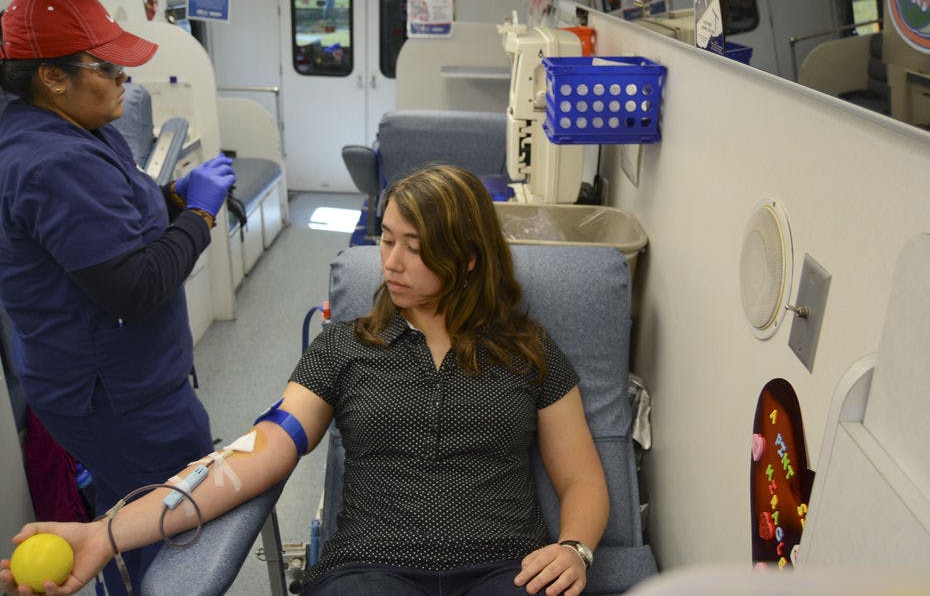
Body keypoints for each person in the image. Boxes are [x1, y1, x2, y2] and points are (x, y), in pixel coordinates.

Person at [1, 164, 609, 596]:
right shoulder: (346, 347)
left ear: (469, 257)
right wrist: (106, 535)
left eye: (414, 248)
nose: (389, 262)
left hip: (507, 567)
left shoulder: (529, 352)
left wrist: (574, 547)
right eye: (387, 240)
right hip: (372, 570)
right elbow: (248, 460)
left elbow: (580, 476)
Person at [0, 0, 235, 594]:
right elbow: (135, 286)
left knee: (122, 506)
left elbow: (122, 213)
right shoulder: (53, 162)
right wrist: (201, 218)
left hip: (111, 376)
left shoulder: (82, 127)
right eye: (108, 67)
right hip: (117, 393)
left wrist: (174, 198)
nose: (125, 77)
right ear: (52, 77)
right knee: (168, 520)